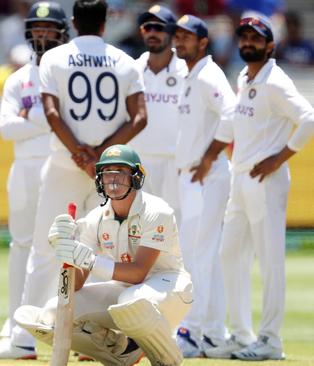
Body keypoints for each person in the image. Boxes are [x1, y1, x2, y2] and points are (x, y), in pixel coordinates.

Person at [0, 0, 147, 359]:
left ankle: (22, 340)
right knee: (107, 251)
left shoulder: (54, 58)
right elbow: (140, 117)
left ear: (75, 21)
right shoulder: (125, 60)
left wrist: (80, 153)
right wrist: (102, 155)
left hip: (65, 164)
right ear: (105, 22)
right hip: (111, 171)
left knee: (45, 250)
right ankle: (98, 338)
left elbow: (50, 112)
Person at [192, 15, 314, 361]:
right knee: (229, 254)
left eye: (255, 39)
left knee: (271, 261)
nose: (247, 43)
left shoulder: (275, 81)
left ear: (270, 45)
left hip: (266, 179)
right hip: (240, 177)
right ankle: (243, 334)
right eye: (243, 37)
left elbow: (308, 118)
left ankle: (271, 340)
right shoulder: (245, 76)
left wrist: (279, 158)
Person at [15, 144, 192, 366]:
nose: (113, 179)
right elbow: (75, 286)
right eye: (108, 173)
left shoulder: (157, 211)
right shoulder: (96, 219)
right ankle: (120, 353)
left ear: (136, 177)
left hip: (170, 290)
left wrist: (90, 260)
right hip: (125, 291)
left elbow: (138, 273)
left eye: (120, 171)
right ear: (100, 178)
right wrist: (65, 250)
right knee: (53, 314)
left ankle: (168, 359)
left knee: (133, 302)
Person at [0, 0, 68, 359]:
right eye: (37, 31)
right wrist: (48, 116)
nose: (43, 37)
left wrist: (30, 114)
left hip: (61, 165)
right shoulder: (19, 79)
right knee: (21, 246)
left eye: (49, 31)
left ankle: (67, 325)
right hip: (23, 169)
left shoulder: (67, 72)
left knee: (67, 248)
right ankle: (15, 325)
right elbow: (6, 128)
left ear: (62, 34)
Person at [170, 14, 236, 357]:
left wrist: (210, 155)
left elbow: (232, 113)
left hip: (206, 177)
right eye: (177, 36)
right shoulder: (189, 74)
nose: (180, 42)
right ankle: (213, 333)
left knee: (199, 256)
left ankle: (192, 333)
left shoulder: (209, 74)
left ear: (203, 42)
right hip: (193, 178)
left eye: (187, 37)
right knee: (203, 256)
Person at [128, 5, 186, 218]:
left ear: (172, 32)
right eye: (147, 27)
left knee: (176, 230)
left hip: (175, 163)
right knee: (139, 228)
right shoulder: (131, 69)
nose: (152, 32)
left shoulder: (187, 71)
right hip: (138, 161)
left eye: (158, 27)